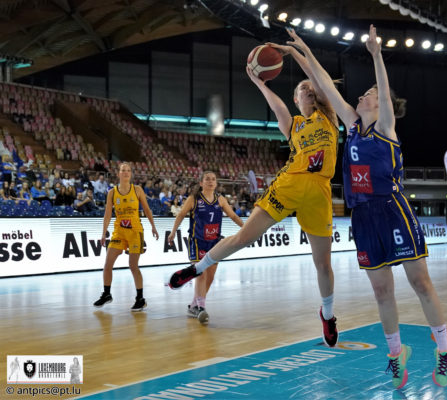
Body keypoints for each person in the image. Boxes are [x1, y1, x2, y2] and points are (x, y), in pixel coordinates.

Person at [280, 25, 447, 387]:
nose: (362, 96)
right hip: (363, 216)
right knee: (381, 291)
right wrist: (302, 52)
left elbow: (385, 94)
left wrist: (376, 55)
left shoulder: (386, 127)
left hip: (392, 210)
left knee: (420, 282)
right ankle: (396, 355)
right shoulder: (352, 125)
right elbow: (324, 82)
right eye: (364, 93)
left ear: (380, 104)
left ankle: (443, 351)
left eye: (369, 94)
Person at [168, 45, 341, 347]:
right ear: (296, 99)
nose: (308, 89)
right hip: (289, 184)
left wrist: (297, 52)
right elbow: (278, 108)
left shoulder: (328, 116)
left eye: (310, 88)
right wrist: (260, 83)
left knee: (323, 264)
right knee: (243, 238)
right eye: (302, 89)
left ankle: (327, 314)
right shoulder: (294, 124)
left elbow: (319, 79)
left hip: (318, 192)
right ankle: (196, 269)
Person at [167, 171, 243, 323]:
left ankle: (194, 305)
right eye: (207, 179)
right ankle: (201, 307)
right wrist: (173, 232)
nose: (211, 181)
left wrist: (246, 228)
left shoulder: (220, 199)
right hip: (197, 241)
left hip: (214, 242)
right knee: (200, 273)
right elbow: (181, 215)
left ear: (216, 183)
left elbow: (233, 216)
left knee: (211, 276)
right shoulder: (194, 199)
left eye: (213, 179)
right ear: (201, 183)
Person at [93, 162, 159, 311]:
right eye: (123, 170)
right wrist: (103, 233)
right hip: (119, 231)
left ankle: (140, 299)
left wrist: (153, 226)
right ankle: (107, 294)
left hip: (135, 231)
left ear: (131, 174)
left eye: (128, 170)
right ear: (118, 173)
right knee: (107, 265)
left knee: (133, 265)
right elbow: (107, 214)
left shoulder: (137, 190)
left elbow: (147, 209)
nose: (126, 172)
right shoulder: (112, 192)